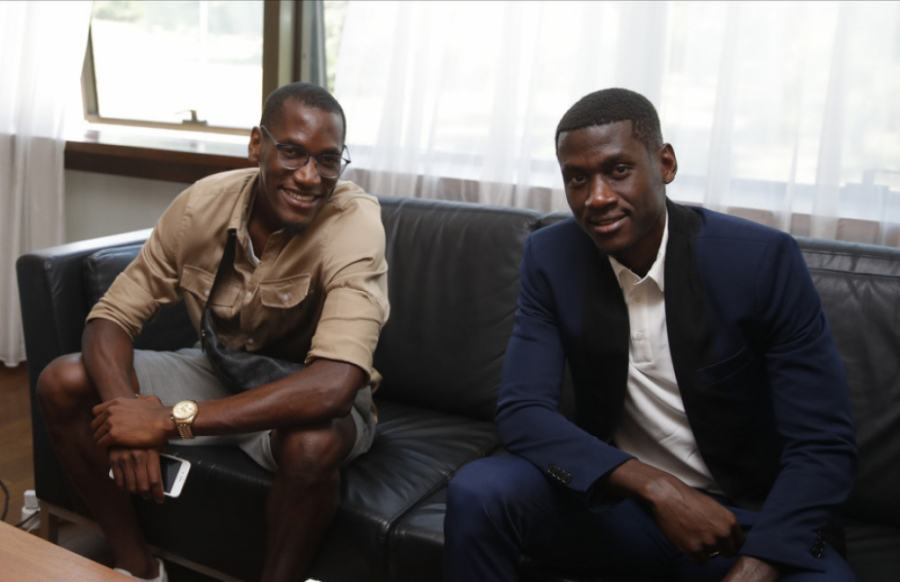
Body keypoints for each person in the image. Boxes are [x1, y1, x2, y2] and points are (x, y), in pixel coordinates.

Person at [444, 88, 857, 582]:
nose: (597, 197)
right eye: (577, 178)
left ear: (665, 164)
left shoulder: (759, 261)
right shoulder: (551, 257)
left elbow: (823, 444)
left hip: (742, 522)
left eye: (618, 170)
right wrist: (657, 488)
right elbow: (522, 411)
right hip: (620, 504)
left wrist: (755, 569)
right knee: (480, 490)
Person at [37, 82, 389, 582]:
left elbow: (333, 386)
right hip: (220, 371)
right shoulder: (201, 205)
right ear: (257, 145)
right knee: (63, 381)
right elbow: (110, 317)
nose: (310, 176)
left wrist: (166, 421)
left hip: (305, 397)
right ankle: (137, 567)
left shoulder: (354, 221)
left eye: (328, 160)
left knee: (311, 445)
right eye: (292, 152)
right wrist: (126, 415)